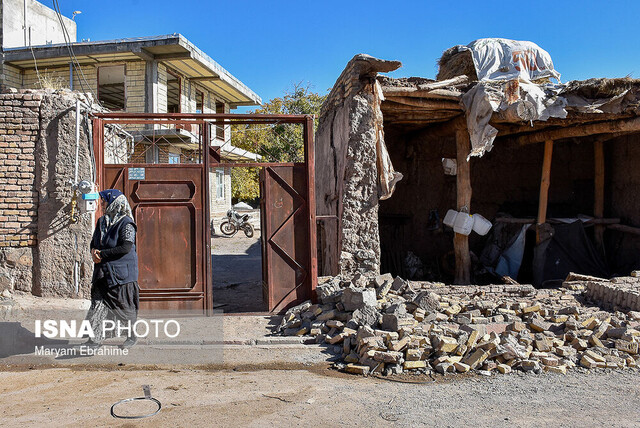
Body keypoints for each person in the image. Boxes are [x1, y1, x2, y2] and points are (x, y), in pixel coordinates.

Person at [84, 189, 139, 349]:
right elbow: (94, 242)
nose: (103, 204)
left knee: (123, 309)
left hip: (121, 274)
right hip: (102, 273)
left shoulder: (127, 223)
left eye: (105, 201)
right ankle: (94, 340)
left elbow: (126, 247)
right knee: (97, 305)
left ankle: (132, 336)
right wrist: (94, 251)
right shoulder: (102, 222)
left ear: (114, 203)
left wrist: (103, 253)